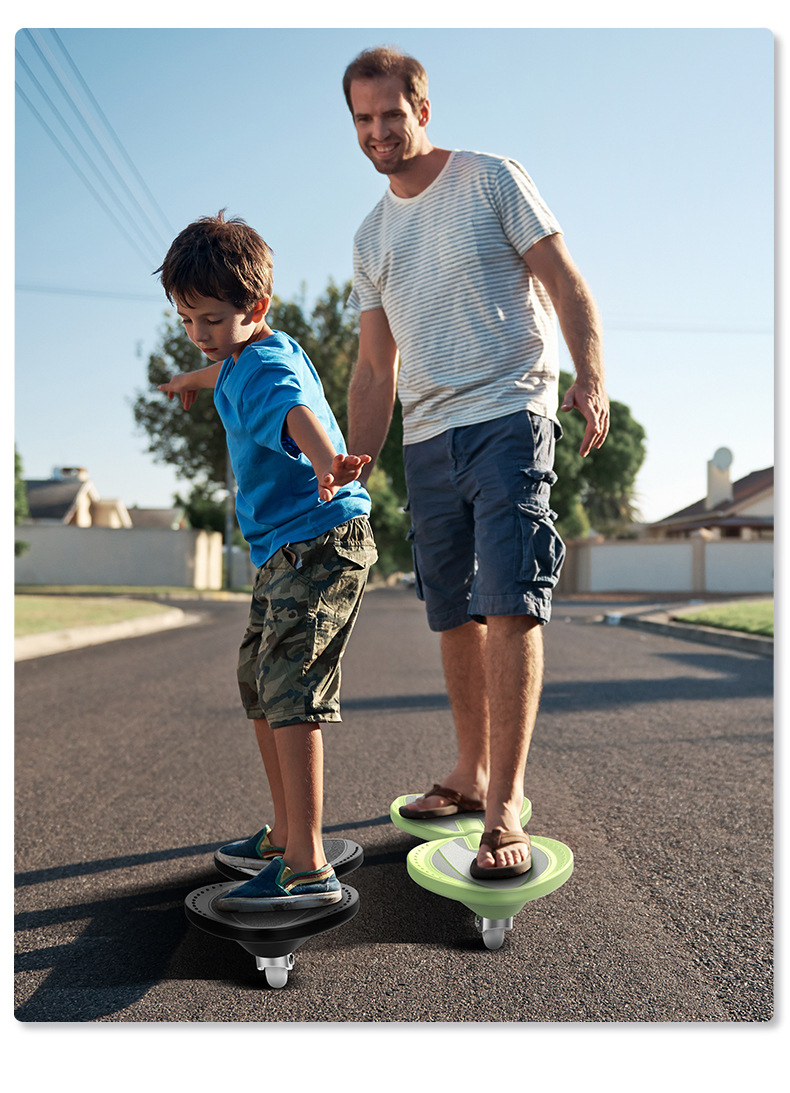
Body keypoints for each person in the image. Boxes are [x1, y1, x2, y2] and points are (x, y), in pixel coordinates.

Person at [342, 47, 609, 879]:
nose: (379, 132)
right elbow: (373, 366)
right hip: (426, 438)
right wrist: (357, 459)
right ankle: (468, 772)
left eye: (392, 114)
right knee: (450, 608)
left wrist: (591, 376)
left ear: (422, 106)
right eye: (363, 120)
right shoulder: (371, 234)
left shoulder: (491, 177)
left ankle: (505, 807)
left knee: (511, 596)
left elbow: (565, 281)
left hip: (509, 415)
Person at [156, 211, 377, 909]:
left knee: (291, 684)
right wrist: (197, 374)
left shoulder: (264, 369)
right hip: (288, 546)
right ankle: (286, 833)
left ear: (256, 308)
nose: (200, 334)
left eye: (212, 321)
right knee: (258, 679)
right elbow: (233, 364)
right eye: (188, 321)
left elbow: (293, 410)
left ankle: (308, 862)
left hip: (318, 538)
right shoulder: (243, 353)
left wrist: (327, 462)